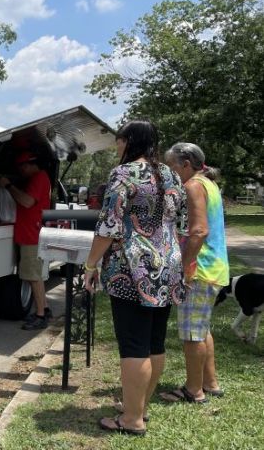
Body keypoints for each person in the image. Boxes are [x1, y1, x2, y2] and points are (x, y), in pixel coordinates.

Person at [83, 121, 187, 436]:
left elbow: (109, 226)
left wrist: (90, 265)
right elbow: (180, 223)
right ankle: (139, 407)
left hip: (132, 270)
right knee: (154, 342)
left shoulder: (124, 174)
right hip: (167, 267)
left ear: (129, 141)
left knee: (133, 345)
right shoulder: (172, 176)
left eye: (118, 142)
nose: (117, 147)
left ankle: (131, 420)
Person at [160, 142, 229, 403]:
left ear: (186, 164)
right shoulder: (209, 183)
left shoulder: (192, 186)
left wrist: (184, 266)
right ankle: (209, 383)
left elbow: (198, 231)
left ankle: (193, 390)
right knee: (201, 329)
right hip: (214, 268)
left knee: (191, 333)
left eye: (172, 166)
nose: (170, 172)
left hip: (199, 269)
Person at [0, 152, 52, 330]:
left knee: (32, 277)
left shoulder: (39, 178)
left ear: (31, 164)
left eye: (23, 167)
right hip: (30, 234)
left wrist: (9, 186)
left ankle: (40, 316)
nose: (21, 171)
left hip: (32, 236)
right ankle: (44, 308)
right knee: (35, 277)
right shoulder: (38, 178)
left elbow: (28, 202)